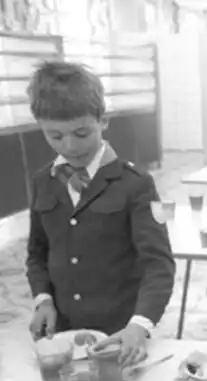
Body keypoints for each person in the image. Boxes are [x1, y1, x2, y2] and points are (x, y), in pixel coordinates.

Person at [25, 61, 175, 365]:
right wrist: (43, 299)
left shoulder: (136, 184)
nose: (70, 146)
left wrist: (140, 325)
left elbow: (158, 265)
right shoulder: (43, 182)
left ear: (103, 121)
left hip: (119, 337)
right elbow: (37, 254)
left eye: (81, 133)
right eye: (55, 136)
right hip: (64, 338)